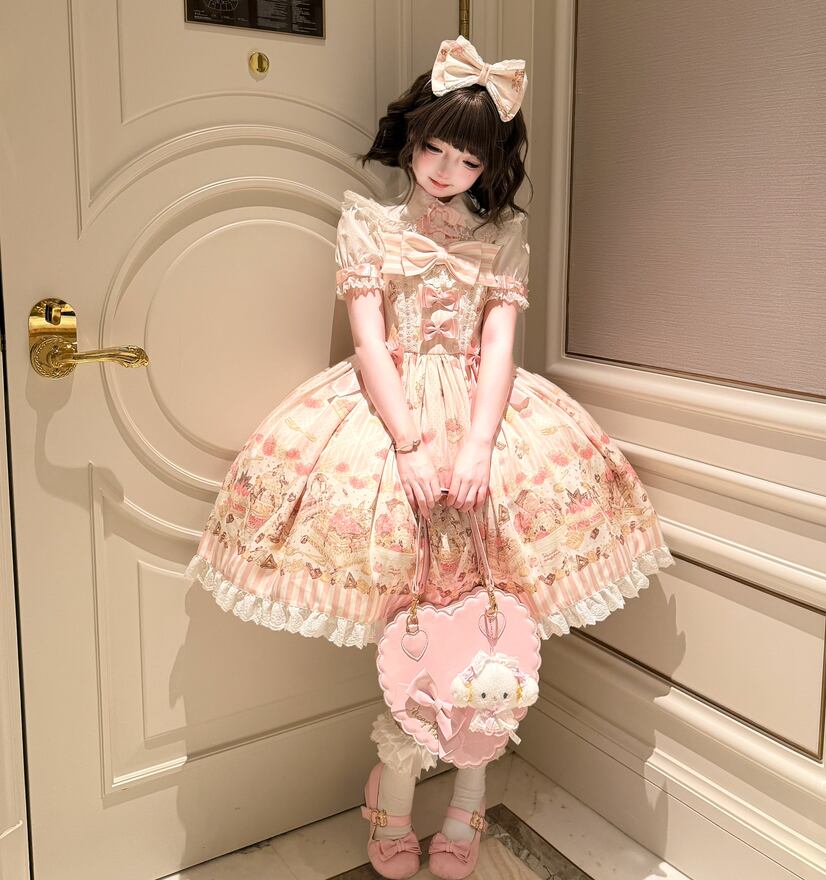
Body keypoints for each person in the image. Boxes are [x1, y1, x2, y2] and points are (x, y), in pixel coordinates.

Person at [185, 34, 674, 880]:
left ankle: (469, 797)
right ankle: (396, 789)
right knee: (412, 627)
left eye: (468, 158)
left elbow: (501, 348)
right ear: (411, 139)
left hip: (492, 428)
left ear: (492, 166)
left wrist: (479, 446)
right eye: (435, 149)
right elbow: (369, 342)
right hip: (389, 423)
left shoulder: (503, 238)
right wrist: (409, 445)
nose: (447, 171)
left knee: (494, 627)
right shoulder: (368, 224)